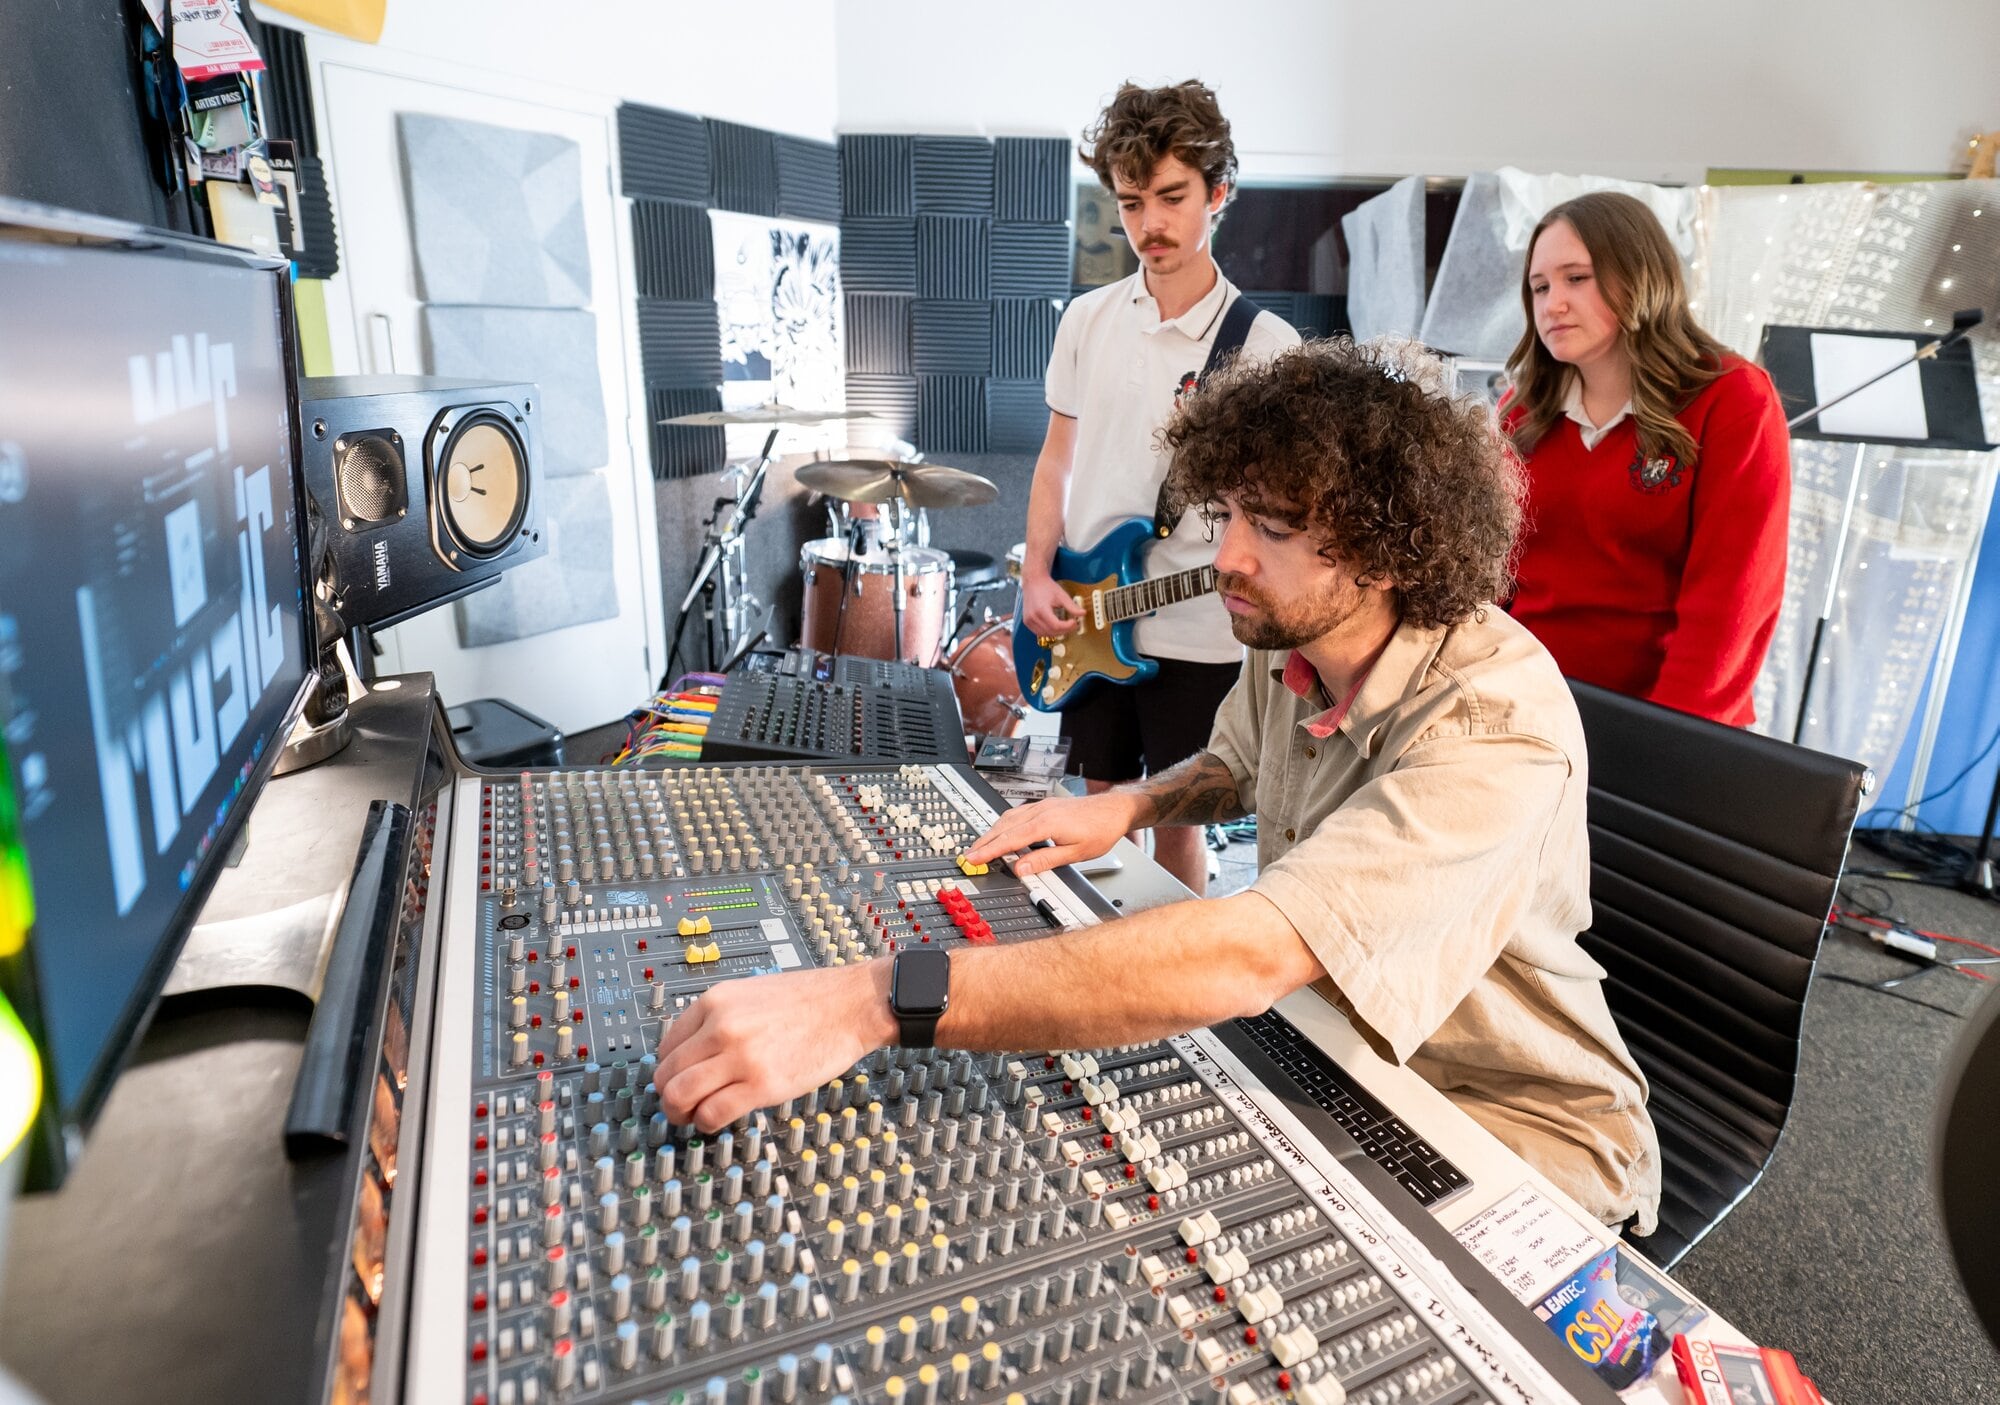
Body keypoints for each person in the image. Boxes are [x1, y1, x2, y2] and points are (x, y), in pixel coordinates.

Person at [655, 340, 1663, 1235]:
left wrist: (877, 999)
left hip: (1513, 1127)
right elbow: (1230, 769)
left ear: (1386, 543)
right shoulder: (1293, 636)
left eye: (1268, 526)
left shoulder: (1494, 724)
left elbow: (1251, 949)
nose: (1225, 557)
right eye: (1227, 515)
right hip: (1338, 1052)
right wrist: (1124, 807)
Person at [1021, 79, 1301, 894]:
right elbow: (1053, 462)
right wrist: (1038, 573)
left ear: (1219, 192)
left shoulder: (1265, 345)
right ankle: (1104, 954)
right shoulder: (1086, 320)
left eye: (1172, 197)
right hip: (1086, 609)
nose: (1150, 224)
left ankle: (1167, 976)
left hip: (1200, 632)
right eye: (1131, 201)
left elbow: (1284, 509)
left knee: (1177, 822)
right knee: (1098, 807)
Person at [1502, 190, 1791, 727]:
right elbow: (1491, 581)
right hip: (1524, 705)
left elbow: (1733, 602)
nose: (1552, 304)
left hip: (1662, 718)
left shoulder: (1732, 400)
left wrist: (1669, 738)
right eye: (1539, 287)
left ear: (1640, 275)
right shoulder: (1520, 414)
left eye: (1576, 278)